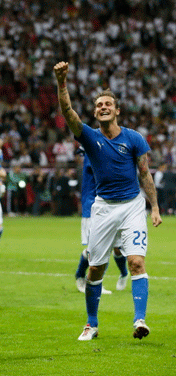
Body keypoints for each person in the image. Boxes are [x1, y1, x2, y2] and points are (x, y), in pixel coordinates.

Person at [54, 61, 162, 341]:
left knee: (136, 262)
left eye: (107, 104)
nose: (103, 107)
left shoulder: (134, 138)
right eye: (98, 104)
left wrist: (155, 208)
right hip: (102, 208)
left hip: (132, 207)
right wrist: (62, 83)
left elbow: (145, 174)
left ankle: (140, 320)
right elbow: (68, 112)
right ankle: (92, 323)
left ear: (117, 110)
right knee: (95, 268)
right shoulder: (90, 138)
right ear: (95, 111)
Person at [74, 148, 128, 294]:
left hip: (112, 207)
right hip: (93, 207)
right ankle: (82, 277)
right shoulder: (93, 157)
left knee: (117, 247)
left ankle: (124, 273)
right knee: (97, 248)